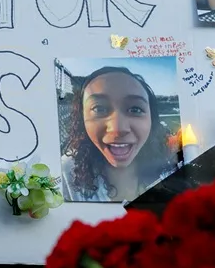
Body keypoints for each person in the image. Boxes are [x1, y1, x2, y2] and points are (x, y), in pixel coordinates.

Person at [61, 67, 179, 202]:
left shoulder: (170, 162)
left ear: (151, 119)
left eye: (135, 109)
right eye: (99, 108)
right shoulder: (65, 173)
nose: (118, 129)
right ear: (81, 119)